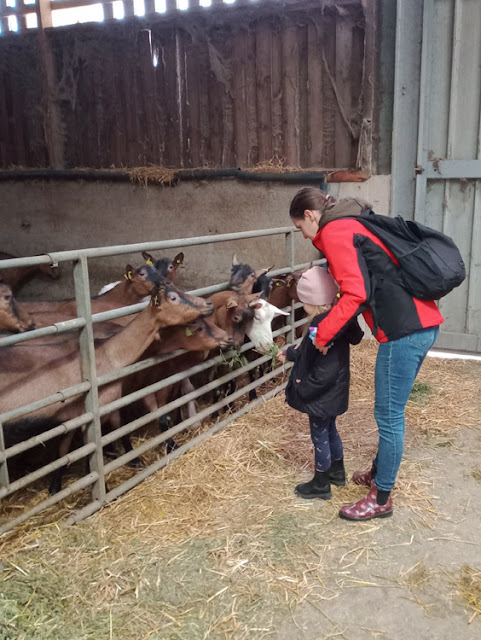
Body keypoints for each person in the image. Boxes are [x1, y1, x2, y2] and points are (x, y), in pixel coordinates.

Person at [288, 187, 443, 521]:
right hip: (420, 322)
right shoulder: (354, 222)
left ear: (311, 217)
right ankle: (378, 474)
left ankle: (381, 497)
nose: (302, 234)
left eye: (299, 226)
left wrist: (322, 334)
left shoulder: (336, 231)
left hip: (404, 330)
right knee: (391, 410)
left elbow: (355, 292)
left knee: (388, 416)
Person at [277, 266, 363, 500]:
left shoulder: (318, 326)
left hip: (321, 391)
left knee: (319, 436)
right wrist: (289, 354)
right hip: (335, 389)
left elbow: (314, 361)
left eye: (304, 300)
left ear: (313, 301)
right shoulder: (337, 319)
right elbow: (307, 351)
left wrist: (303, 388)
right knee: (331, 429)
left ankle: (321, 483)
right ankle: (337, 472)